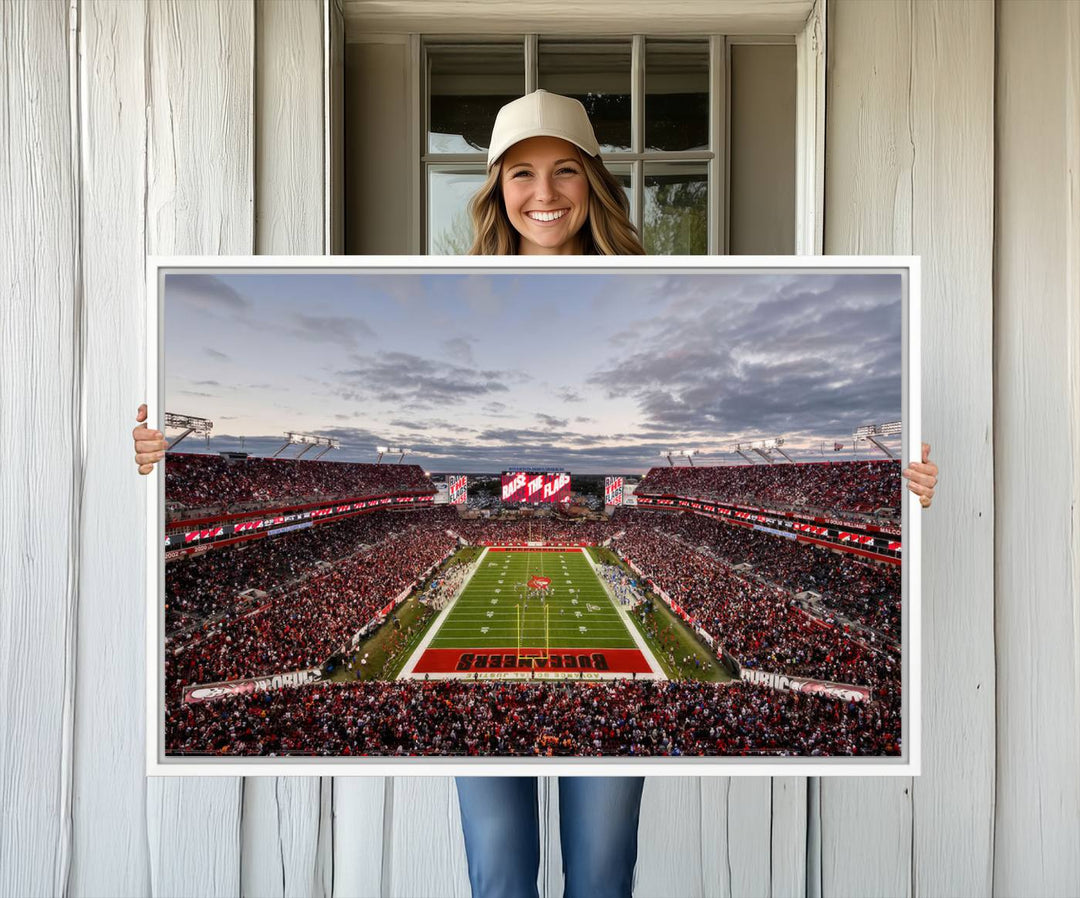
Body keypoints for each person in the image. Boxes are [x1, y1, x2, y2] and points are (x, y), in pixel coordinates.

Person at [131, 89, 939, 898]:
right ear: (495, 189)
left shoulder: (651, 293)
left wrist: (896, 482)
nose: (544, 193)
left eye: (564, 172)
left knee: (600, 874)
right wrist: (166, 458)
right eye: (521, 173)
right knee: (500, 874)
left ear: (593, 182)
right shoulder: (454, 295)